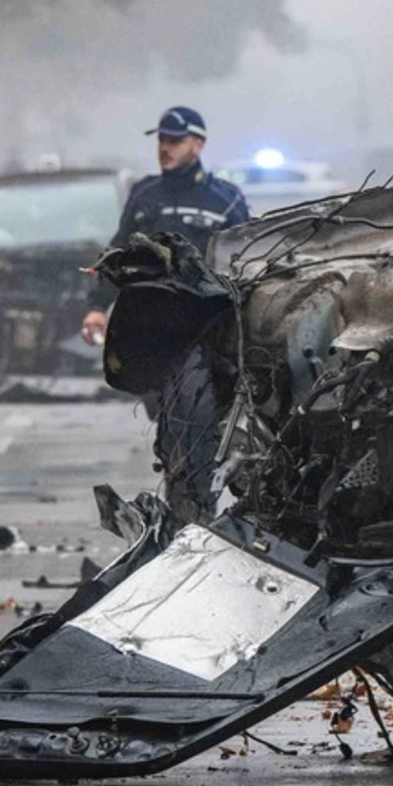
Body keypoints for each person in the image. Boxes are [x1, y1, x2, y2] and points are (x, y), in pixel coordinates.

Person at [79, 106, 249, 519]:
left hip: (207, 337)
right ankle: (184, 502)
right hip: (151, 337)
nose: (165, 149)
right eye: (161, 141)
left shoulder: (225, 200)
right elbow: (116, 252)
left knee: (197, 424)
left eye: (174, 141)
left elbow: (246, 262)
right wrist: (97, 309)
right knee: (173, 425)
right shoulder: (145, 195)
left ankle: (195, 511)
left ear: (198, 144)